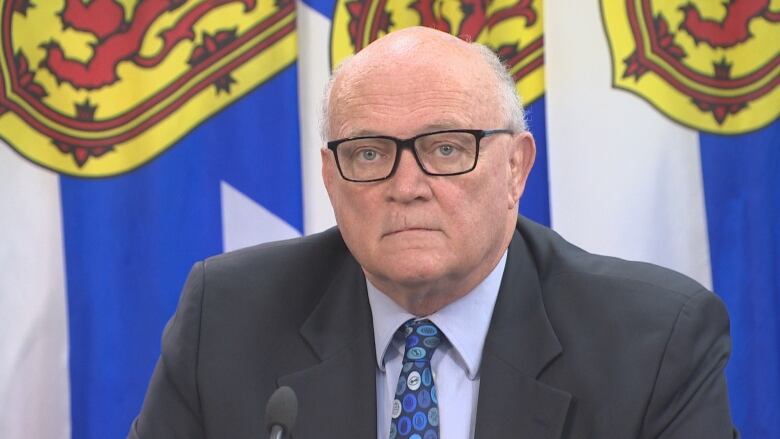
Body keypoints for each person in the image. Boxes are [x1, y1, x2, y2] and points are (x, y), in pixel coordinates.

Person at [128, 27, 737, 438]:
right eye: (369, 154)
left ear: (516, 169)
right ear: (330, 178)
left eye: (446, 149)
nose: (407, 184)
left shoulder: (654, 340)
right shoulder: (229, 316)